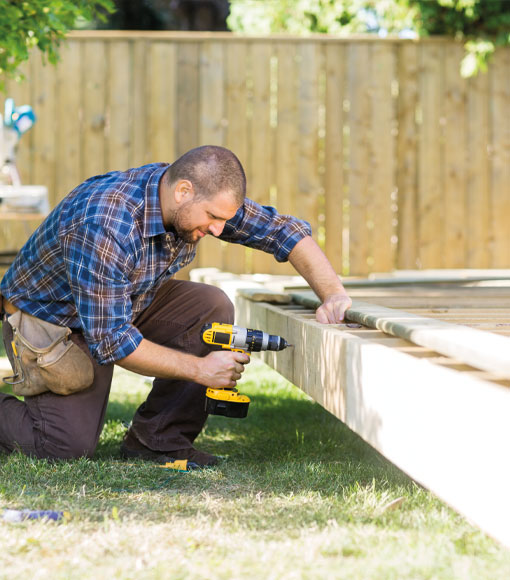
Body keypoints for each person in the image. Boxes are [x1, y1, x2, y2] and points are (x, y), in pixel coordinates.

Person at [0, 145, 352, 466]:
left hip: (120, 303)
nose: (219, 230)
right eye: (213, 217)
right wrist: (201, 370)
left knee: (209, 306)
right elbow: (111, 342)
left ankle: (157, 441)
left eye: (225, 220)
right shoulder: (107, 224)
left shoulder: (196, 197)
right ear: (183, 191)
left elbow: (283, 232)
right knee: (64, 448)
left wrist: (333, 294)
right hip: (53, 319)